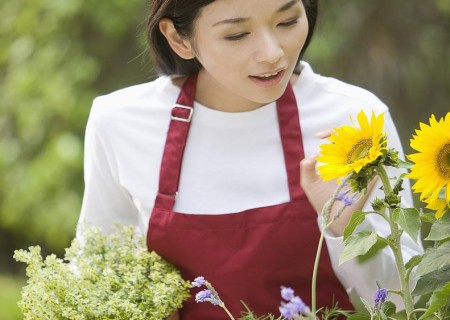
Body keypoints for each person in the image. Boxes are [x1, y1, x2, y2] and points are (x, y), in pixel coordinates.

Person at [77, 0, 423, 319]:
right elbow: (96, 277)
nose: (273, 53)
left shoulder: (356, 121)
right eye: (237, 34)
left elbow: (407, 303)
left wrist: (345, 227)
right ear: (179, 39)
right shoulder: (120, 123)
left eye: (287, 21)